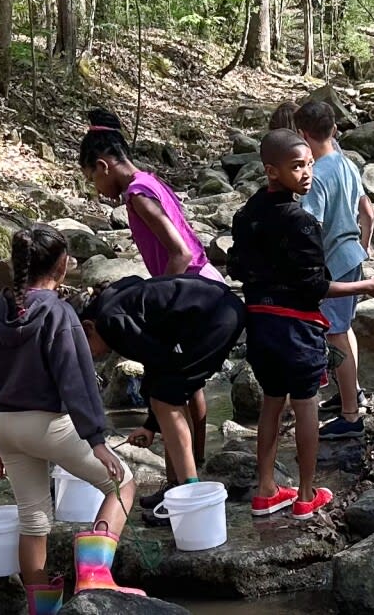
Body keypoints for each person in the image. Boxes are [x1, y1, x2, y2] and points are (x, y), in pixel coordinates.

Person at [228, 129, 374, 520]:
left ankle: (266, 490)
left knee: (271, 403)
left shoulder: (247, 213)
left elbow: (237, 265)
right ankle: (305, 494)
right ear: (271, 171)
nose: (307, 174)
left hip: (260, 324)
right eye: (296, 167)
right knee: (306, 408)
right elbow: (316, 286)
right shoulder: (301, 222)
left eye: (308, 165)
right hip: (296, 329)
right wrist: (368, 286)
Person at [0, 224, 143, 615]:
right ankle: (94, 574)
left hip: (6, 427)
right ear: (62, 266)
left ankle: (42, 610)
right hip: (48, 425)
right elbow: (77, 381)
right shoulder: (59, 312)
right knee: (123, 485)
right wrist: (97, 440)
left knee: (33, 520)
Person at [79, 108, 219, 511]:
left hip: (190, 291)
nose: (96, 188)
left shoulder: (138, 196)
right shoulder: (150, 182)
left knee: (168, 392)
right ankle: (190, 469)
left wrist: (160, 303)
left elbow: (177, 251)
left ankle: (183, 485)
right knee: (188, 386)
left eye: (93, 178)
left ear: (104, 165)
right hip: (203, 285)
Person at [79, 274, 246, 493]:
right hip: (218, 311)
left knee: (166, 399)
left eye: (86, 347)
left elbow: (158, 362)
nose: (90, 355)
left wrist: (152, 420)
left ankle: (188, 493)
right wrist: (150, 426)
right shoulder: (110, 308)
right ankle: (176, 487)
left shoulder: (111, 322)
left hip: (215, 318)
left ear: (89, 327)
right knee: (169, 396)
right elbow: (156, 360)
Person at [294, 101, 374, 441]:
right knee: (345, 328)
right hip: (353, 254)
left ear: (302, 135)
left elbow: (310, 225)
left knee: (335, 334)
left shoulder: (318, 176)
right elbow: (368, 212)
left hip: (332, 263)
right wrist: (365, 246)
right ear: (334, 130)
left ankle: (350, 416)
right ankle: (351, 392)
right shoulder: (347, 163)